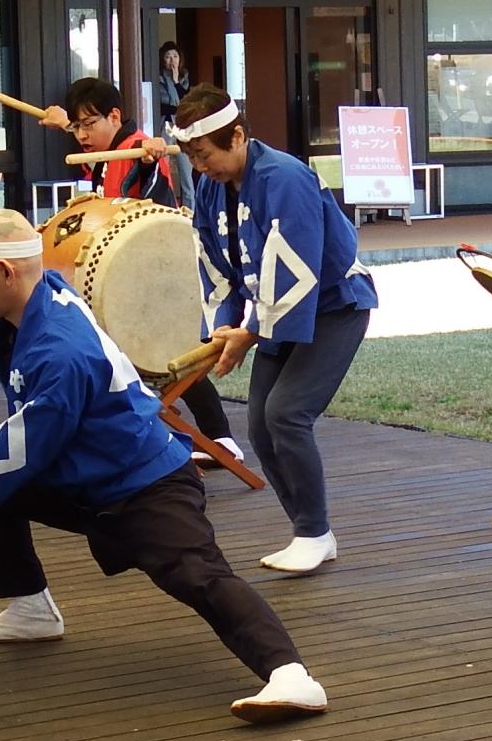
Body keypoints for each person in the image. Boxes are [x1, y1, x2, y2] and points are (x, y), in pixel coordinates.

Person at [0, 170, 329, 722]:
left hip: (141, 481)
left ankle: (291, 675)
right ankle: (30, 608)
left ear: (5, 271)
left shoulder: (61, 349)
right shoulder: (24, 289)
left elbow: (28, 441)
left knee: (197, 575)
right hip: (81, 471)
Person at [147, 85, 376, 576]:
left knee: (288, 414)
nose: (200, 167)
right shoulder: (211, 186)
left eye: (205, 155)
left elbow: (297, 270)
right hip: (271, 312)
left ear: (237, 136)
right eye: (191, 159)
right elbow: (213, 263)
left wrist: (248, 332)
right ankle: (310, 531)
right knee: (259, 424)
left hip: (335, 308)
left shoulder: (285, 178)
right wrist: (223, 329)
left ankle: (314, 532)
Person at [40, 77, 244, 468]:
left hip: (157, 272)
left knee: (174, 358)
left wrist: (152, 151)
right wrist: (62, 122)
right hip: (123, 276)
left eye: (88, 125)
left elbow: (149, 161)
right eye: (77, 127)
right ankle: (156, 434)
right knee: (156, 361)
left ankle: (219, 438)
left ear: (115, 116)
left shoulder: (135, 149)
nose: (81, 134)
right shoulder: (105, 152)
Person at [150, 42, 197, 210]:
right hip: (166, 126)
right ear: (162, 59)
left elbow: (186, 102)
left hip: (182, 127)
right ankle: (166, 206)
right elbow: (161, 105)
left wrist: (176, 81)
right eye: (168, 56)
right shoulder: (157, 78)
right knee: (163, 167)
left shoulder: (184, 79)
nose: (172, 60)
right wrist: (176, 107)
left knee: (187, 173)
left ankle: (190, 210)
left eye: (175, 56)